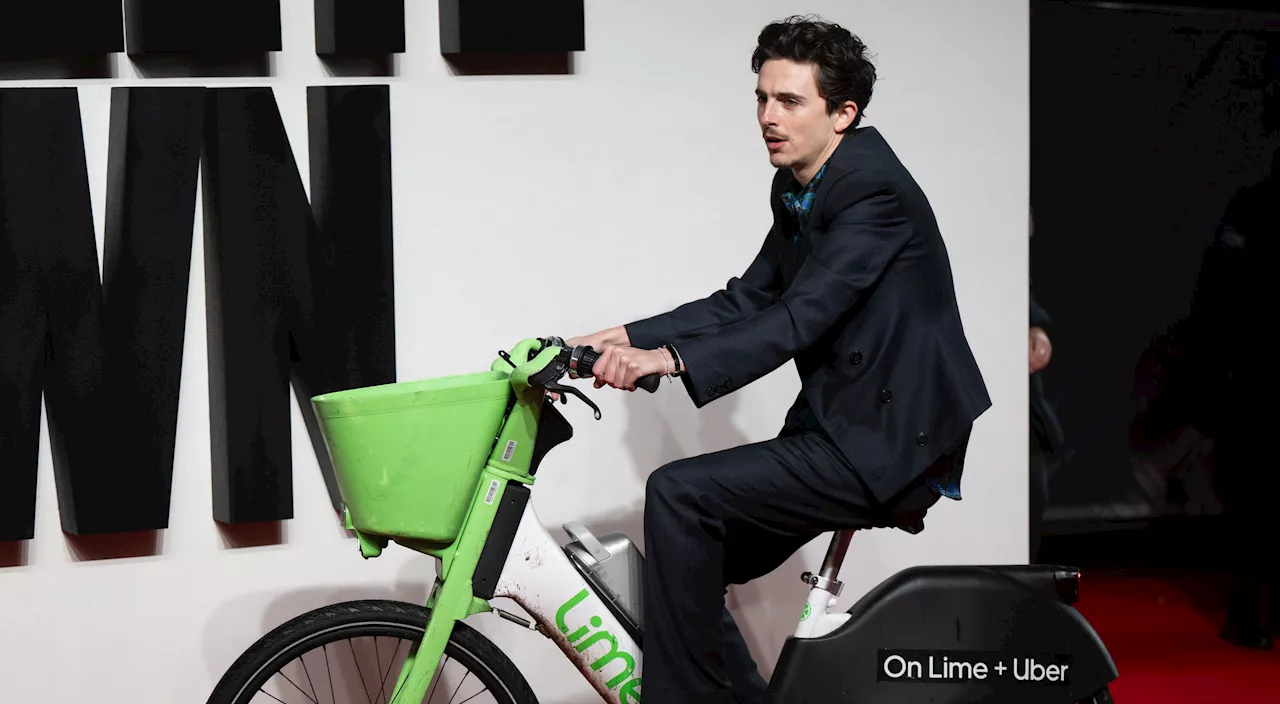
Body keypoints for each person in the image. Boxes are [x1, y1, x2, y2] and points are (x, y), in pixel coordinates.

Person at [567, 16, 992, 701]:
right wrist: (614, 336)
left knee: (678, 494)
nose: (768, 116)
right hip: (842, 424)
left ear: (843, 113)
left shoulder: (870, 190)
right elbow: (747, 300)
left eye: (790, 101)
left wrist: (666, 360)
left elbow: (800, 315)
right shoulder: (800, 183)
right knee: (686, 566)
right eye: (762, 98)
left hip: (889, 440)